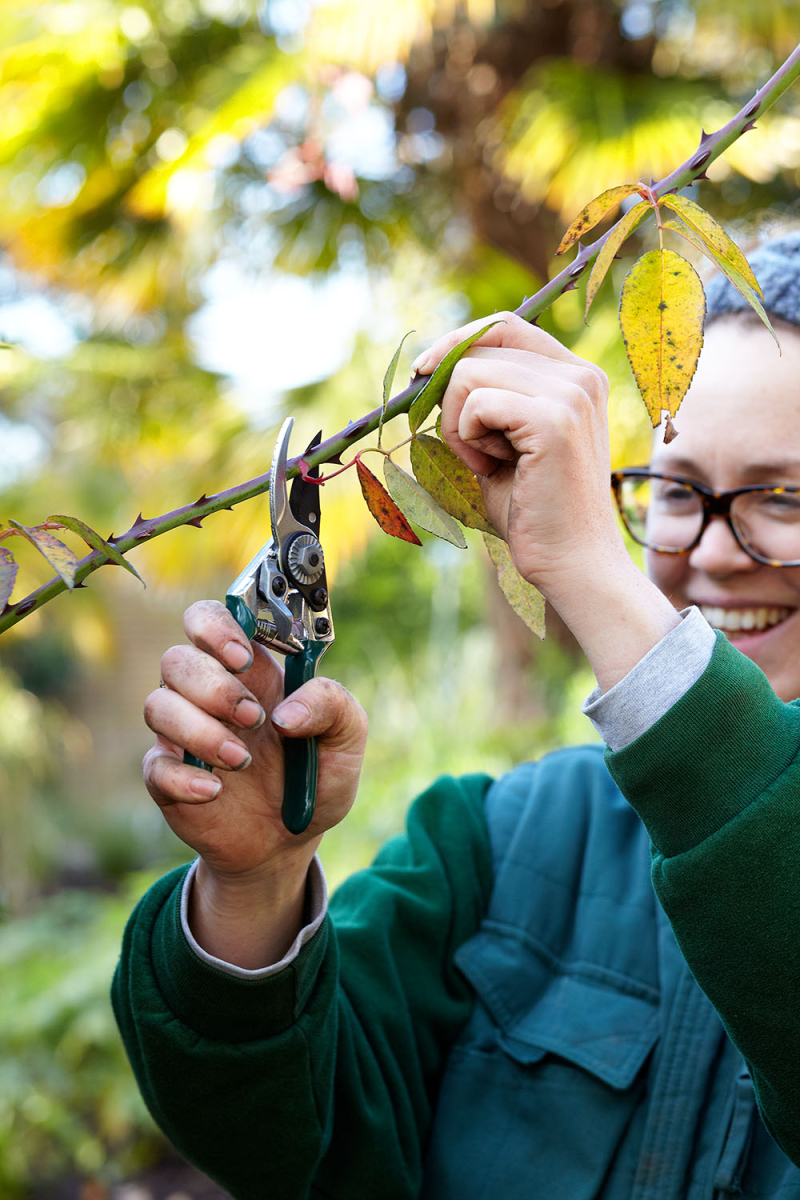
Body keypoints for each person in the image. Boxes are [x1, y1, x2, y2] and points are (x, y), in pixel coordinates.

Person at [113, 231, 800, 1200]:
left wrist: (591, 573)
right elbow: (289, 1146)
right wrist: (253, 888)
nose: (713, 551)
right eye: (676, 490)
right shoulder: (503, 842)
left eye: (781, 497)